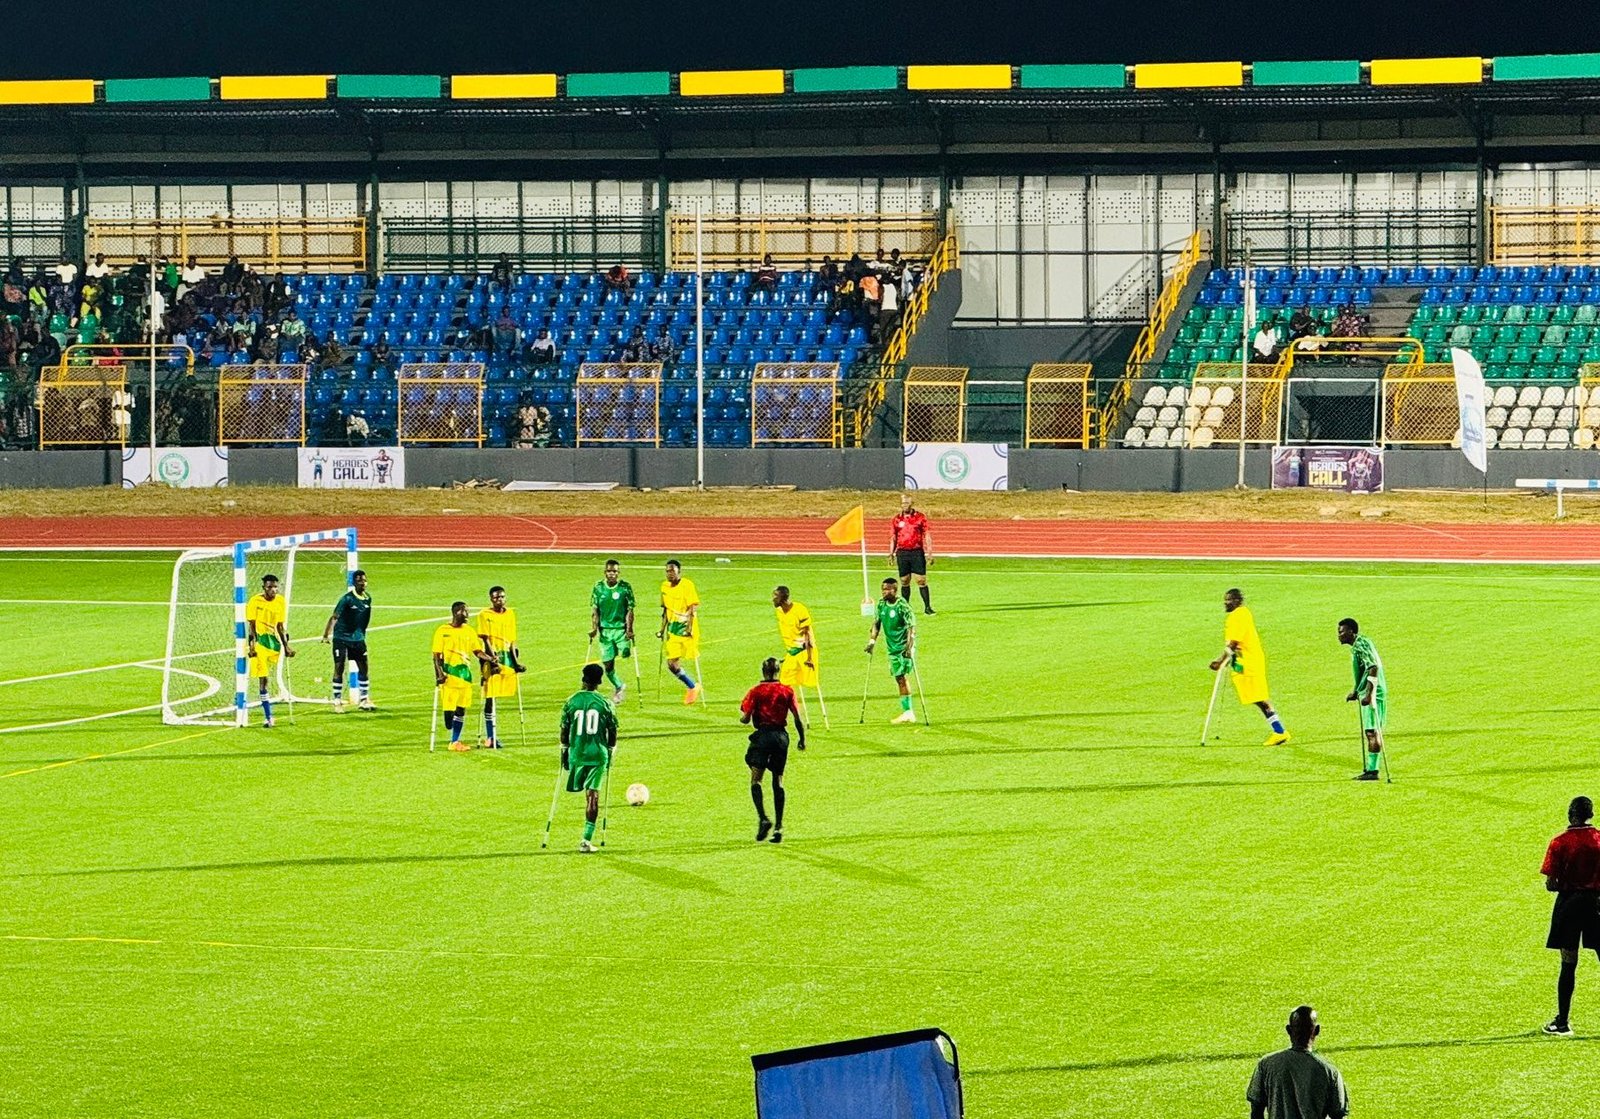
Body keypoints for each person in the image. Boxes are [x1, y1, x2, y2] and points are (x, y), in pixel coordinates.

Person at [1540, 795, 1600, 1036]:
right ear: (1591, 814)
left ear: (1571, 813)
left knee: (1568, 963)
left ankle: (1563, 1022)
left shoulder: (1560, 842)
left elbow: (1551, 883)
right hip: (1597, 904)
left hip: (1569, 906)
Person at [1209, 589, 1290, 746]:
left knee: (1259, 698)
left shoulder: (1239, 616)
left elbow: (1234, 642)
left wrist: (1220, 661)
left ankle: (1280, 732)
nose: (1226, 603)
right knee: (1257, 698)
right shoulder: (1240, 614)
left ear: (1238, 601)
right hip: (1243, 661)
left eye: (1229, 600)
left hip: (1249, 663)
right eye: (1225, 600)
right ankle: (1279, 731)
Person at [740, 656, 805, 843]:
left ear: (763, 671)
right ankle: (779, 827)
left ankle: (763, 818)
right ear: (779, 671)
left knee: (756, 779)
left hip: (763, 736)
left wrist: (743, 719)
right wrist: (802, 739)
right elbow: (797, 718)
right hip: (780, 738)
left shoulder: (756, 691)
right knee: (778, 781)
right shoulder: (787, 690)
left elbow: (746, 717)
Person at [1246, 1005, 1349, 1119]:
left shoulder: (1266, 1065)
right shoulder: (1329, 1071)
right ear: (1317, 1030)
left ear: (1289, 1030)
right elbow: (1338, 1114)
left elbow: (1256, 1111)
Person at [560, 662, 618, 853]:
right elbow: (612, 730)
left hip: (577, 753)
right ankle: (586, 840)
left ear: (583, 678)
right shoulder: (605, 703)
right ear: (600, 681)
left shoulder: (571, 701)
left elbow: (564, 729)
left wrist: (564, 751)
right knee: (592, 796)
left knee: (584, 792)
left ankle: (585, 840)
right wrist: (611, 749)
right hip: (597, 754)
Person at [432, 600, 494, 752]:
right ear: (455, 613)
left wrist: (489, 658)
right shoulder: (442, 631)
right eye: (464, 611)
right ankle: (452, 732)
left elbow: (477, 651)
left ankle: (454, 741)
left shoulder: (469, 631)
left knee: (461, 710)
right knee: (448, 718)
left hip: (465, 677)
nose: (467, 615)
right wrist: (439, 675)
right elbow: (436, 656)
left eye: (468, 611)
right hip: (449, 677)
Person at [1337, 617, 1386, 780]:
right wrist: (1356, 691)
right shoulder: (1359, 644)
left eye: (1342, 632)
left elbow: (1373, 667)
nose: (1339, 635)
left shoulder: (1361, 644)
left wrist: (1370, 694)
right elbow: (1365, 670)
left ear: (1352, 631)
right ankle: (1371, 769)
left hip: (1374, 692)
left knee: (1372, 731)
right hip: (1367, 691)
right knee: (1370, 731)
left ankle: (1373, 771)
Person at [245, 574, 295, 728]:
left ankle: (269, 711)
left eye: (275, 587)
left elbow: (280, 626)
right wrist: (252, 647)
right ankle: (268, 717)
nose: (273, 590)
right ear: (264, 588)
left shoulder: (280, 601)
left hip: (274, 644)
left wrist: (286, 646)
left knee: (269, 677)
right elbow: (251, 626)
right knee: (263, 679)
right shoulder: (255, 601)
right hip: (260, 644)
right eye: (269, 587)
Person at [477, 585, 524, 750]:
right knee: (490, 696)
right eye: (496, 597)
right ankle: (490, 736)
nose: (500, 600)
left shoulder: (510, 614)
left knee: (500, 694)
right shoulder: (484, 615)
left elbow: (512, 641)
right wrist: (493, 661)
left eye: (502, 597)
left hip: (507, 658)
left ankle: (492, 735)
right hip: (491, 658)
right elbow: (485, 639)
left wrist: (516, 662)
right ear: (491, 599)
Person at [866, 577, 917, 725]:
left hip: (904, 646)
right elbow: (876, 624)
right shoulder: (881, 604)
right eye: (883, 589)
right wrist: (872, 641)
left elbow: (911, 628)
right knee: (898, 678)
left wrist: (909, 647)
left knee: (901, 677)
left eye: (887, 589)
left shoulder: (902, 606)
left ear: (895, 590)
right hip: (892, 647)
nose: (884, 592)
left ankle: (908, 713)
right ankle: (908, 712)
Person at [321, 569, 374, 712]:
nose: (362, 583)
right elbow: (334, 617)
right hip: (341, 638)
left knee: (364, 668)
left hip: (358, 639)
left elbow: (364, 619)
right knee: (339, 668)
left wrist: (361, 635)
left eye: (364, 580)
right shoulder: (347, 599)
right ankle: (337, 701)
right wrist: (326, 635)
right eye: (359, 581)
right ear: (353, 582)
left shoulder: (368, 598)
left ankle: (364, 700)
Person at [589, 559, 636, 704]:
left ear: (618, 573)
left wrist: (629, 630)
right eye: (609, 571)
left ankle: (623, 648)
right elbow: (595, 610)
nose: (612, 574)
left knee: (626, 653)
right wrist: (594, 628)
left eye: (614, 571)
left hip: (621, 631)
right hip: (605, 632)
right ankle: (619, 686)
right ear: (605, 572)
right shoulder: (598, 588)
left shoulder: (625, 588)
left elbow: (630, 610)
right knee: (608, 666)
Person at [657, 559, 701, 705]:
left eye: (672, 571)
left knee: (691, 657)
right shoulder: (664, 587)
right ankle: (692, 686)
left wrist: (689, 627)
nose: (669, 574)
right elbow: (665, 610)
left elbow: (693, 608)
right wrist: (661, 629)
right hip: (673, 630)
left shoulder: (687, 585)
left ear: (679, 571)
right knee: (671, 664)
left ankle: (694, 687)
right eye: (667, 571)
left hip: (686, 629)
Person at [772, 585, 819, 719]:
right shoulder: (779, 611)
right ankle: (787, 713)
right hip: (792, 653)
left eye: (775, 596)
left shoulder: (800, 610)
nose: (773, 599)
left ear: (783, 597)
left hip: (805, 651)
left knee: (810, 682)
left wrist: (810, 657)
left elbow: (807, 634)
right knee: (784, 682)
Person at [890, 493, 936, 614]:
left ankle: (927, 607)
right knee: (904, 580)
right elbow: (893, 537)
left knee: (921, 580)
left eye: (906, 503)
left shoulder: (920, 517)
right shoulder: (896, 519)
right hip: (902, 553)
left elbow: (927, 535)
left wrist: (930, 553)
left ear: (911, 504)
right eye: (902, 503)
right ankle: (906, 608)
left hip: (916, 552)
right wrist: (891, 553)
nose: (904, 505)